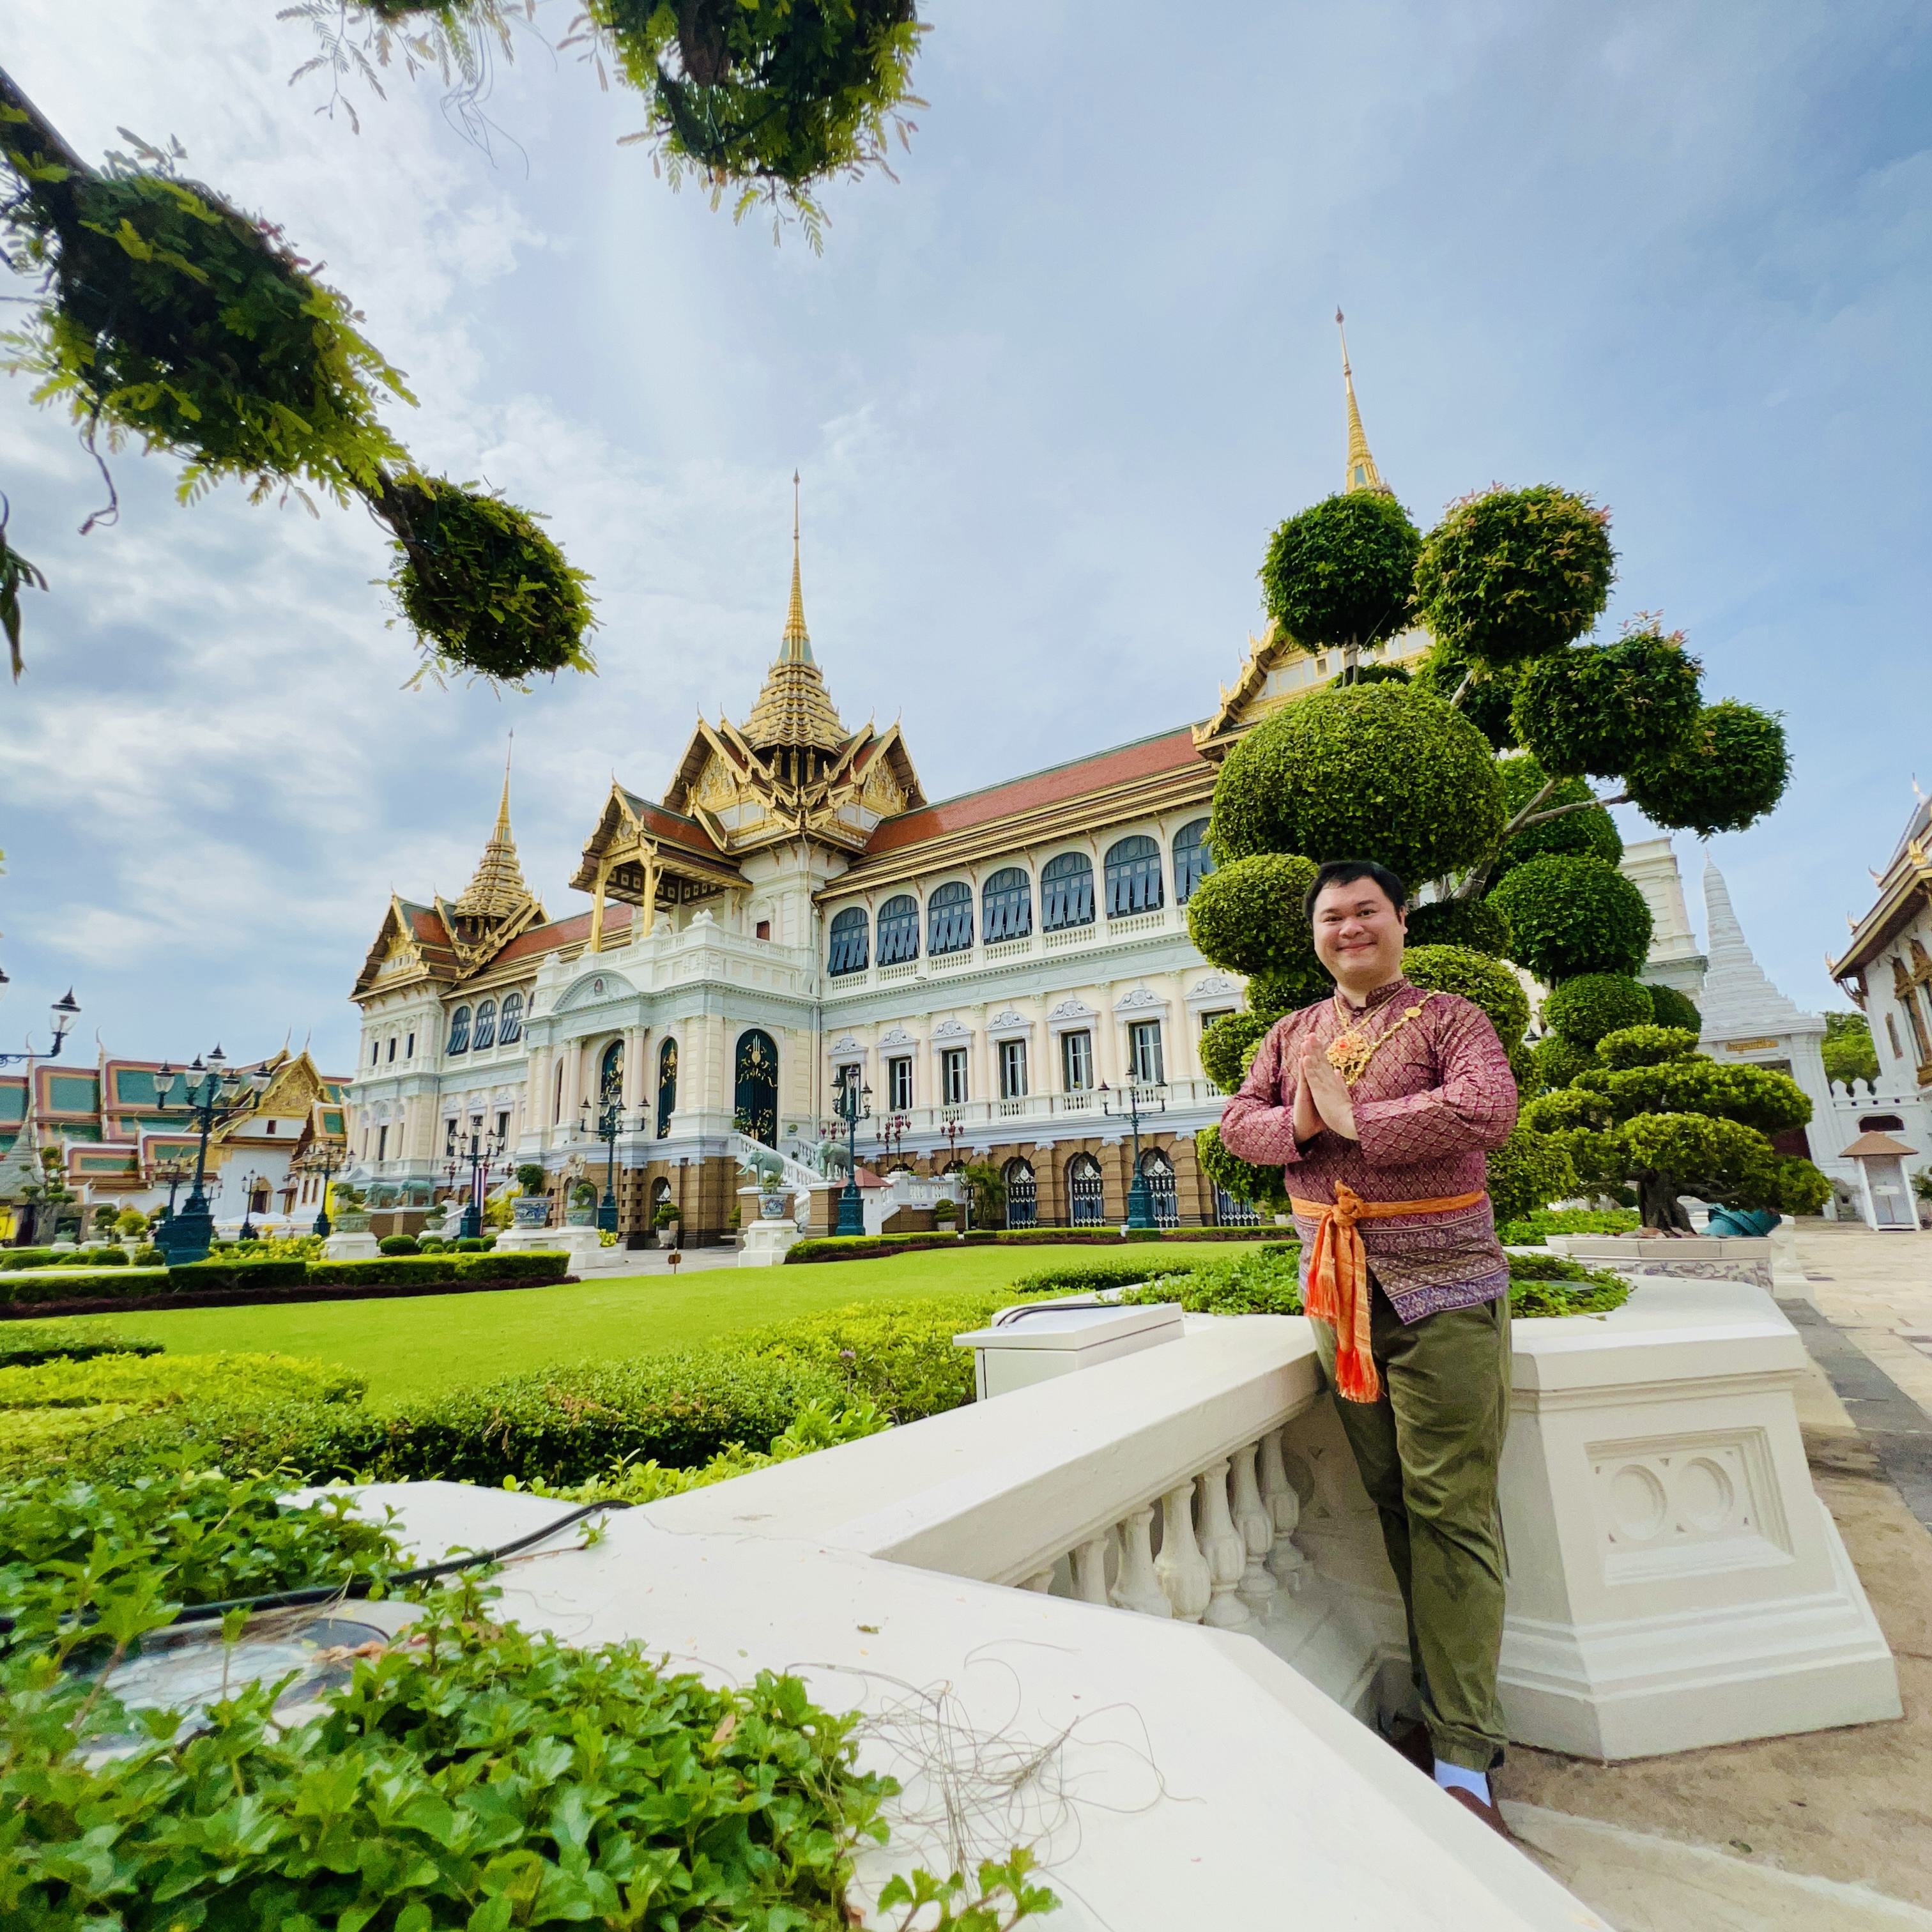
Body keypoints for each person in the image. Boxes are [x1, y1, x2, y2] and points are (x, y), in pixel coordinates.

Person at [1220, 857, 1519, 1834]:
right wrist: (1302, 1119)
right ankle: (1441, 1705)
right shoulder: (1291, 1033)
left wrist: (1361, 1118)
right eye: (1332, 917)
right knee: (1393, 1499)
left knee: (1451, 1509)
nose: (1349, 928)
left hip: (1446, 1288)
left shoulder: (1449, 1018)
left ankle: (1466, 1754)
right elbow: (1237, 1125)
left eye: (1367, 912)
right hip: (1339, 1296)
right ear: (1315, 935)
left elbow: (1489, 1110)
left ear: (1401, 922)